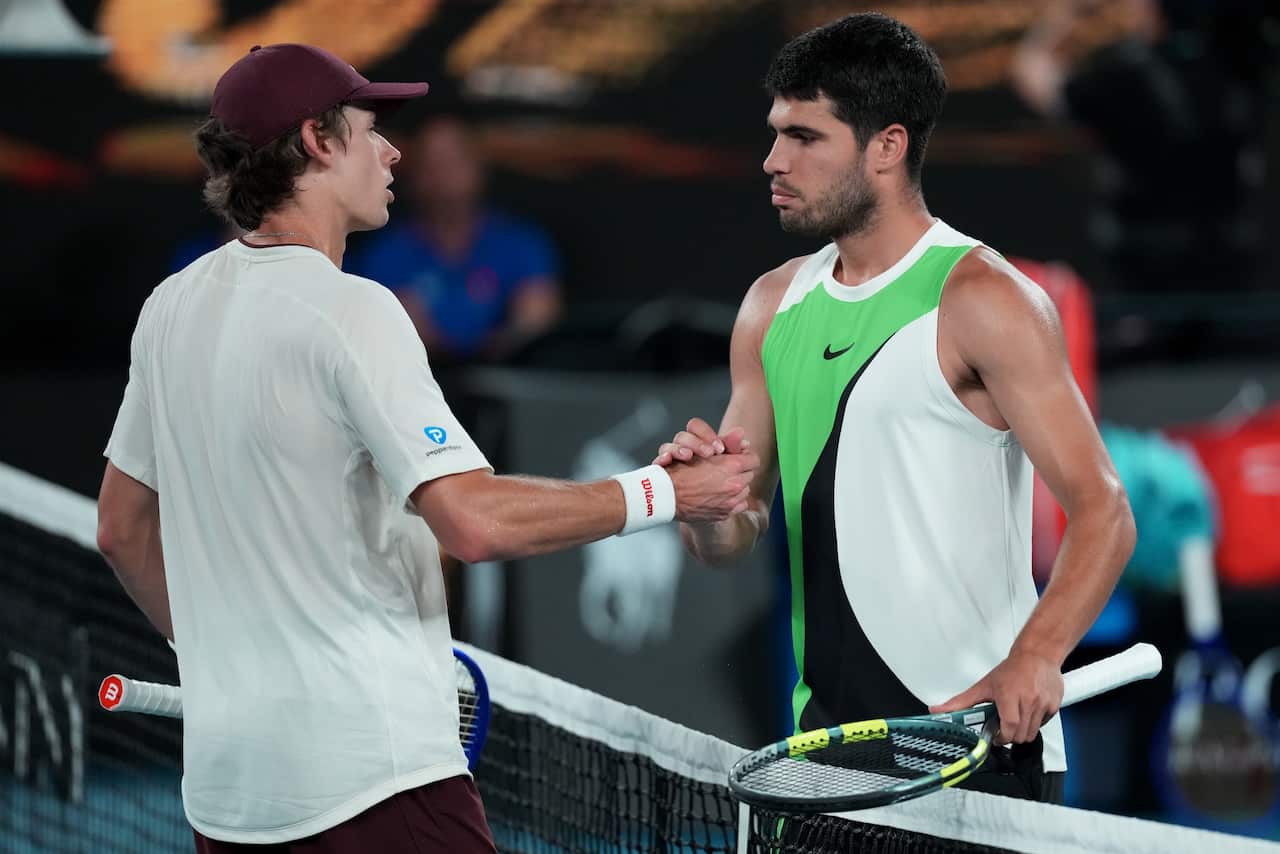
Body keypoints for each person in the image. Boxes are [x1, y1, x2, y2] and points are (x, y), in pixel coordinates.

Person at [94, 43, 757, 853]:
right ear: (318, 141)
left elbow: (121, 531)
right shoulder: (356, 310)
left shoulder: (170, 308)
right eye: (372, 130)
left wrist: (217, 656)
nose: (392, 151)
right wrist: (666, 493)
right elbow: (473, 524)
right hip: (372, 780)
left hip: (230, 798)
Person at [653, 13, 1136, 802]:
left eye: (806, 137)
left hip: (977, 754)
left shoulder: (986, 299)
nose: (773, 160)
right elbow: (734, 538)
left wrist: (1037, 655)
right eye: (775, 132)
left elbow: (1104, 510)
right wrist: (704, 507)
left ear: (887, 146)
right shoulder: (770, 306)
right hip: (824, 759)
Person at [1011, 0, 1268, 295]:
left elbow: (1033, 72)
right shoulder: (1241, 68)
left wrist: (1064, 15)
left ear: (1152, 9)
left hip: (1144, 265)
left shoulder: (1122, 75)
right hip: (1231, 260)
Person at [349, 116, 562, 365]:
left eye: (455, 160)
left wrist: (501, 348)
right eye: (432, 163)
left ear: (480, 165)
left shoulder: (522, 242)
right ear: (413, 176)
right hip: (420, 381)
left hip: (511, 384)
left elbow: (537, 322)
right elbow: (393, 332)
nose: (445, 174)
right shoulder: (384, 252)